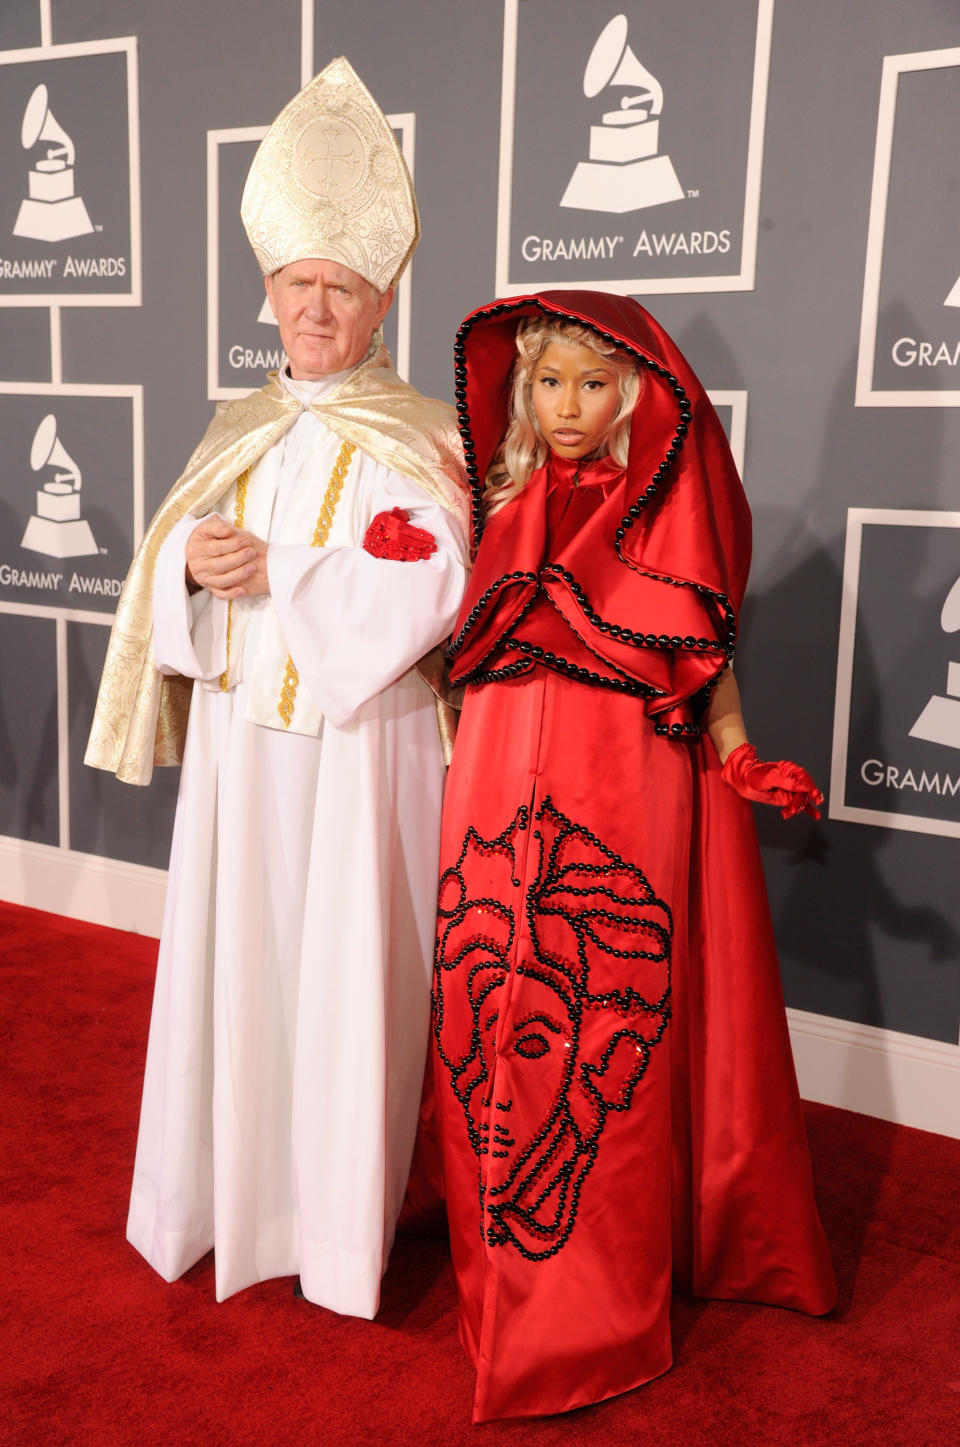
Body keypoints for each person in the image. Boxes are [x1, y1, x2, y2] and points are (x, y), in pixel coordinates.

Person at [84, 58, 468, 1318]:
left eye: (341, 288)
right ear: (269, 291)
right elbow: (166, 593)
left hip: (368, 751)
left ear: (382, 300)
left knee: (353, 981)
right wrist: (191, 570)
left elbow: (440, 585)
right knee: (239, 971)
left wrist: (291, 568)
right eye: (300, 283)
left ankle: (339, 1233)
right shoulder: (230, 428)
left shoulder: (424, 434)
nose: (317, 306)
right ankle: (223, 1203)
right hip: (250, 755)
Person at [428, 291, 837, 1420]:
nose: (568, 407)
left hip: (624, 787)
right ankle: (488, 1246)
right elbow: (455, 661)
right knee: (486, 1001)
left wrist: (742, 756)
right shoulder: (498, 501)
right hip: (495, 782)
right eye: (548, 383)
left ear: (636, 394)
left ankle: (590, 1294)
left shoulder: (664, 512)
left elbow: (699, 654)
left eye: (593, 385)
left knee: (600, 1012)